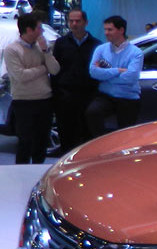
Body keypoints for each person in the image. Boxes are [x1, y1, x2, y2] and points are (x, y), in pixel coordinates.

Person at [3, 13, 59, 164]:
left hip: (45, 100)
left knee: (41, 142)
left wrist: (46, 51)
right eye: (39, 28)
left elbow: (55, 69)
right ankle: (21, 172)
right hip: (24, 101)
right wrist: (43, 68)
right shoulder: (12, 50)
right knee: (25, 142)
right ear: (29, 30)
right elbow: (20, 76)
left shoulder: (42, 47)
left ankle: (38, 170)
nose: (42, 31)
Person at [51, 9, 101, 154]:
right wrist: (56, 94)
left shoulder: (96, 45)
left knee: (87, 135)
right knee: (66, 134)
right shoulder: (61, 43)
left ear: (86, 22)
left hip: (88, 96)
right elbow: (55, 70)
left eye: (78, 21)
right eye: (71, 21)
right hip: (65, 96)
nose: (74, 24)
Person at [86, 15, 143, 136]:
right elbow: (93, 72)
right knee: (92, 113)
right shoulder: (100, 49)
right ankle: (102, 143)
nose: (106, 33)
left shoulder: (136, 53)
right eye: (105, 29)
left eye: (110, 29)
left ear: (121, 30)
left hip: (128, 97)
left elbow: (131, 77)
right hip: (106, 95)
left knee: (126, 134)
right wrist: (117, 71)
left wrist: (106, 75)